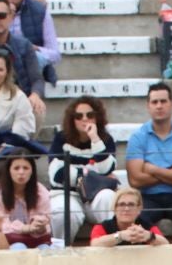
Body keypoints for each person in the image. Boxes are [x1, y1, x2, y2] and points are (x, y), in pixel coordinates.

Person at [123, 80, 172, 230]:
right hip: (147, 197)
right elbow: (135, 180)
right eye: (154, 102)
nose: (159, 106)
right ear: (148, 106)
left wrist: (152, 169)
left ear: (171, 104)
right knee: (135, 225)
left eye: (163, 101)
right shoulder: (138, 137)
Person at [46, 96, 118, 235]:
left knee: (108, 198)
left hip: (95, 194)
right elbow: (57, 173)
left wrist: (95, 139)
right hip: (67, 193)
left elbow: (106, 168)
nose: (85, 119)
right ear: (72, 120)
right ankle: (62, 252)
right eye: (79, 116)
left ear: (97, 117)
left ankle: (111, 245)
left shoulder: (105, 139)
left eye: (90, 115)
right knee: (64, 213)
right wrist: (90, 175)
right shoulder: (61, 139)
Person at [88, 187, 164, 246]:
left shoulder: (147, 227)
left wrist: (149, 236)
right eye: (122, 204)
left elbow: (165, 244)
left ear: (139, 209)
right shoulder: (102, 227)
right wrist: (120, 236)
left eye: (131, 205)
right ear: (114, 208)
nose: (126, 208)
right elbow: (95, 244)